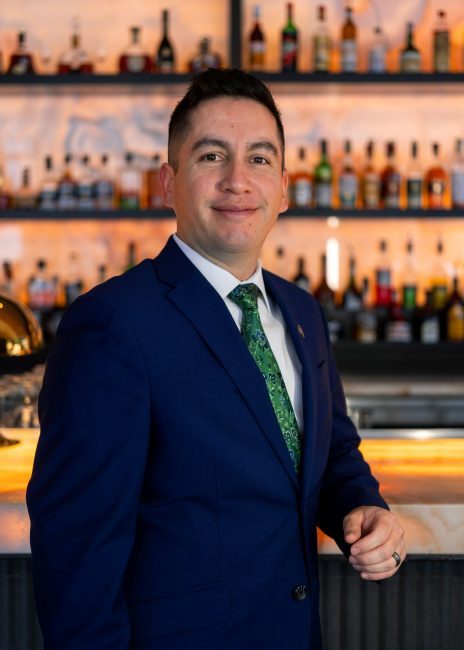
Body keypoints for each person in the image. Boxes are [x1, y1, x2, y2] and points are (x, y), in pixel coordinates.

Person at [27, 68, 405, 649]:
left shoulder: (301, 312)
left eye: (259, 159)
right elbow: (77, 551)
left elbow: (328, 453)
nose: (237, 180)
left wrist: (363, 505)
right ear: (168, 183)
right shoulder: (111, 323)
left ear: (283, 187)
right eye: (210, 157)